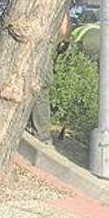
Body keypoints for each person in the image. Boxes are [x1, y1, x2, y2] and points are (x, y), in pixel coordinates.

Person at [27, 13, 72, 144]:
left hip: (36, 46)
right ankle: (41, 135)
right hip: (42, 47)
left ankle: (40, 134)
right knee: (40, 88)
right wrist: (66, 40)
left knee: (39, 86)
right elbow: (64, 28)